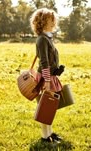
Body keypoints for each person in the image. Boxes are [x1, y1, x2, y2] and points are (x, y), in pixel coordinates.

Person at [30, 8, 64, 143]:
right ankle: (45, 137)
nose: (53, 22)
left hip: (50, 77)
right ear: (43, 21)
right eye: (51, 19)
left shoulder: (47, 37)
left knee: (51, 107)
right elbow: (44, 62)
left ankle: (50, 133)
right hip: (45, 78)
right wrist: (48, 81)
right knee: (45, 108)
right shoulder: (42, 39)